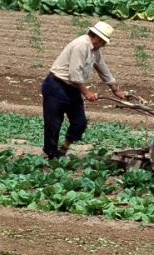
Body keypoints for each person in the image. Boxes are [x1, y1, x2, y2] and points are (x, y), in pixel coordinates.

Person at [42, 21, 124, 161]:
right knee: (54, 123)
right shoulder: (81, 45)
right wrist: (86, 93)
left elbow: (102, 68)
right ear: (98, 38)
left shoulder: (94, 50)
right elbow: (75, 74)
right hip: (56, 86)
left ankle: (64, 149)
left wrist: (115, 90)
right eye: (104, 42)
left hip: (72, 88)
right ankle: (50, 154)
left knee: (80, 122)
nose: (104, 45)